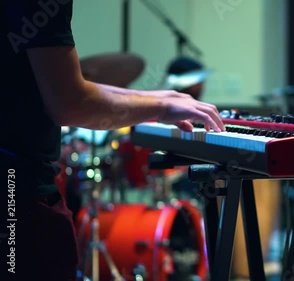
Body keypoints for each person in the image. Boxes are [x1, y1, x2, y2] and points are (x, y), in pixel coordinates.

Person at [1, 1, 225, 280]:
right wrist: (161, 108)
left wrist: (161, 98)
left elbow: (60, 86)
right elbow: (70, 103)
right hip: (17, 193)